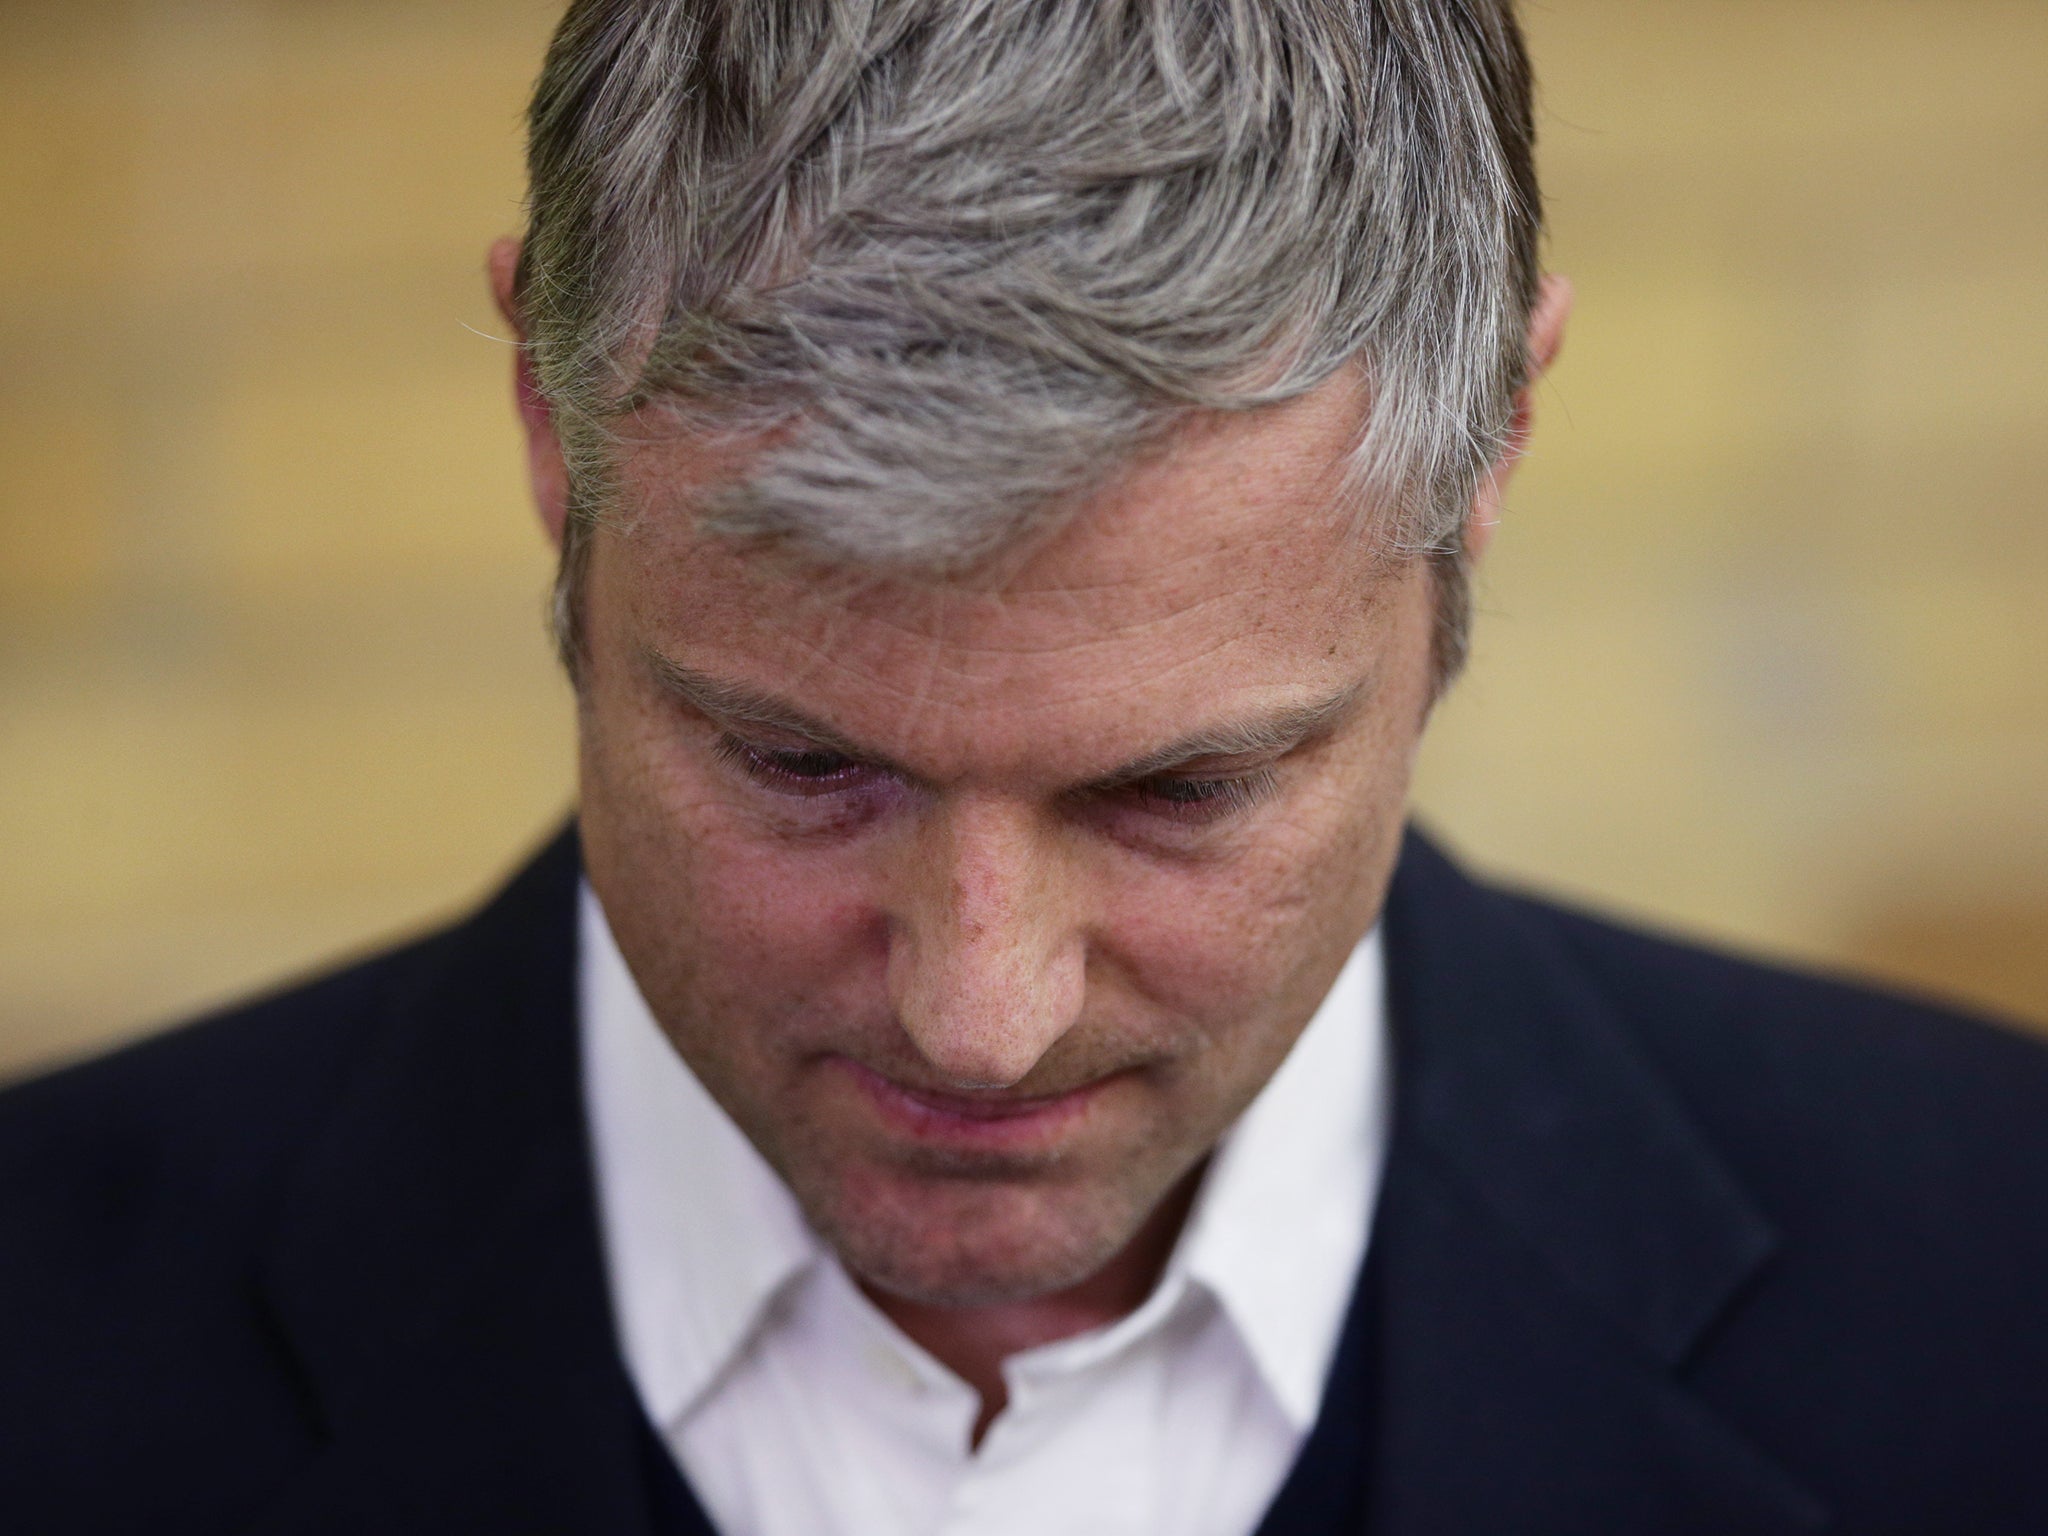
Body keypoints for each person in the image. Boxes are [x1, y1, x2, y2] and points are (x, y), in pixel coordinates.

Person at [4, 0, 2046, 1531]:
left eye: (1178, 794)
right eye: (800, 763)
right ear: (555, 430)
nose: (982, 1020)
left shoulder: (1990, 1289)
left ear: (1488, 455)